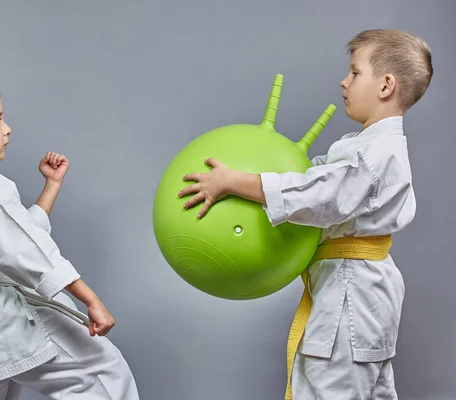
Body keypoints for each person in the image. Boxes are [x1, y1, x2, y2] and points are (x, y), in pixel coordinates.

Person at [178, 29, 433, 399]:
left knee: (330, 388)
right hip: (364, 293)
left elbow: (318, 195)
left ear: (386, 85)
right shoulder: (366, 147)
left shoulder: (372, 154)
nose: (343, 81)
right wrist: (271, 171)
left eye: (355, 72)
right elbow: (315, 176)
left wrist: (234, 182)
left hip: (351, 299)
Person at [0, 75, 140, 399]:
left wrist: (50, 187)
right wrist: (89, 299)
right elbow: (27, 249)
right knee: (103, 374)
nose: (6, 128)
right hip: (5, 310)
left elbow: (12, 236)